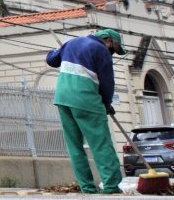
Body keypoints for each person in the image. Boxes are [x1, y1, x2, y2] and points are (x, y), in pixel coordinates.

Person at [45, 28, 127, 195]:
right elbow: (107, 84)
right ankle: (111, 187)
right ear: (109, 41)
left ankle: (88, 188)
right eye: (114, 50)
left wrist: (59, 51)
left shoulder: (72, 43)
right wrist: (106, 103)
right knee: (101, 144)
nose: (112, 54)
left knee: (75, 147)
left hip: (63, 99)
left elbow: (51, 60)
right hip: (86, 99)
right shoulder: (101, 50)